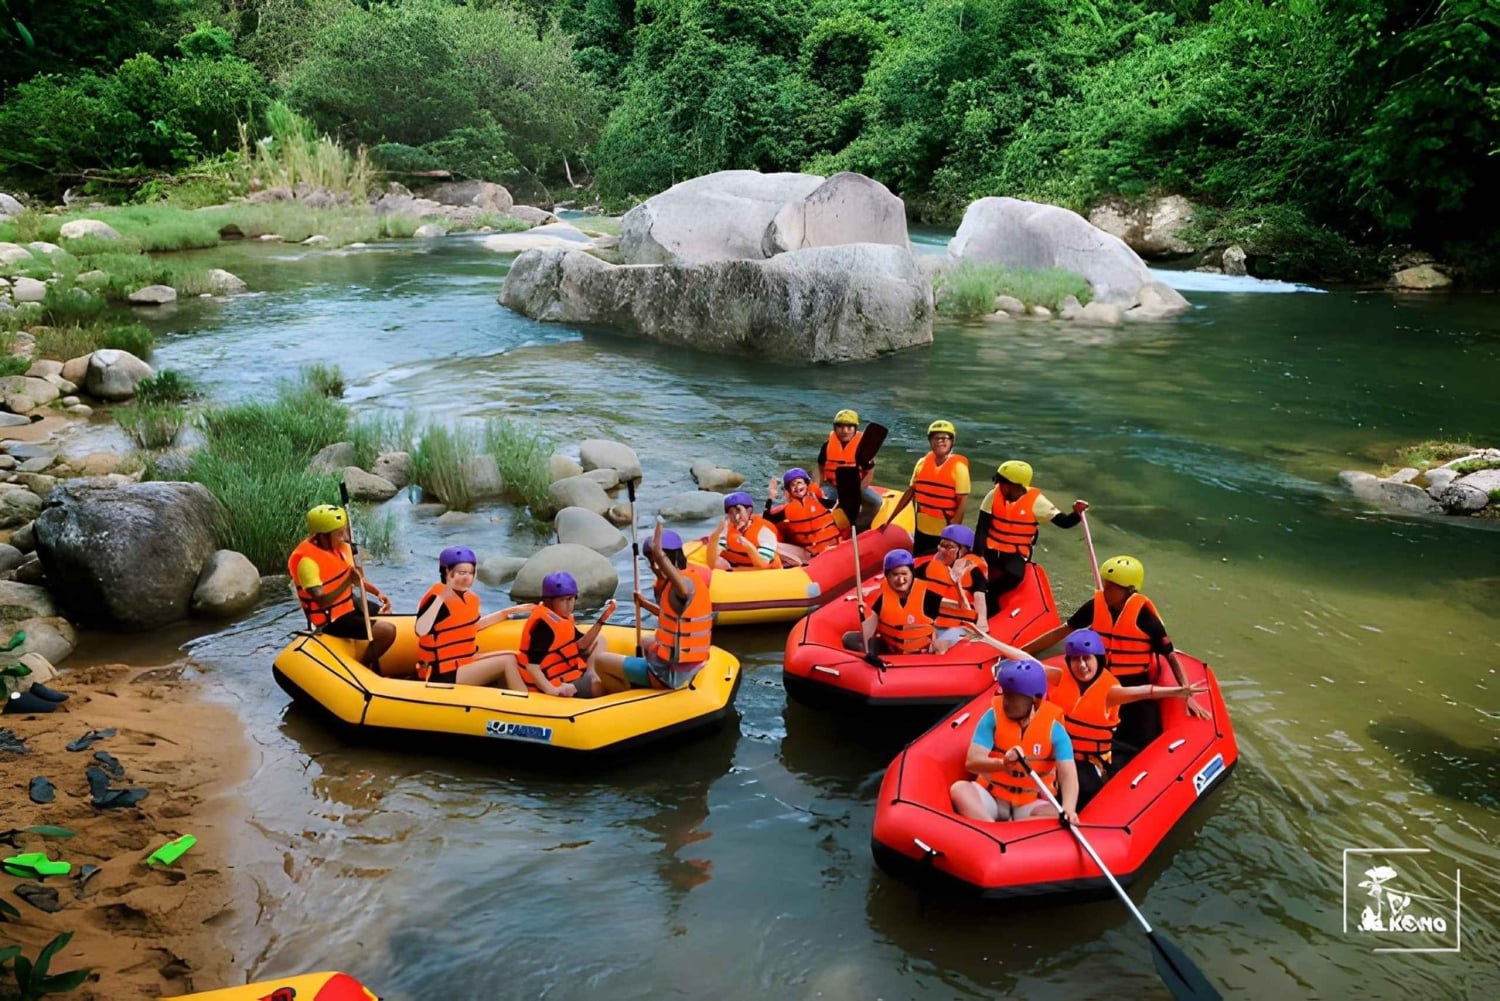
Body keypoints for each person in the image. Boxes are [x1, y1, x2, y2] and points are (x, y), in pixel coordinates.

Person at [967, 627, 1208, 804]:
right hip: (1053, 752)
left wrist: (1180, 691)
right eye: (1076, 660)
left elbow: (1142, 692)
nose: (1082, 666)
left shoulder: (1109, 692)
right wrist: (990, 640)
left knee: (1077, 788)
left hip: (1086, 761)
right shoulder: (1061, 678)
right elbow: (1027, 661)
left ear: (1098, 660)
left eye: (1087, 659)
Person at [1024, 555, 1211, 748]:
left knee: (1145, 738)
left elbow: (1170, 655)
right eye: (1106, 584)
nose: (1106, 590)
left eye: (1112, 587)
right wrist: (1025, 650)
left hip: (1134, 681)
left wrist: (1186, 694)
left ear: (1128, 590)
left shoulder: (1145, 619)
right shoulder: (1096, 606)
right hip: (1098, 678)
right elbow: (1063, 631)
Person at [950, 659, 1080, 824]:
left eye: (1014, 698)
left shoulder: (1056, 730)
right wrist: (1002, 764)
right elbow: (972, 762)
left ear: (1036, 701)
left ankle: (1011, 833)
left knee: (1056, 814)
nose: (1006, 701)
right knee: (960, 789)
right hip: (991, 796)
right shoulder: (992, 717)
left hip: (1029, 804)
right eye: (1006, 694)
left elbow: (1068, 775)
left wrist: (1069, 808)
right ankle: (991, 828)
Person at [589, 524, 715, 693]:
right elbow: (672, 618)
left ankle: (625, 696)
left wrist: (660, 556)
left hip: (671, 674)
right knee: (646, 642)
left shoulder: (685, 586)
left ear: (674, 559)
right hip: (687, 665)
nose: (654, 566)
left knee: (601, 662)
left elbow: (683, 590)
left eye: (659, 561)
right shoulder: (680, 582)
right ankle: (641, 679)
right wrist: (644, 603)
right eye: (651, 561)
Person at [288, 504, 396, 673]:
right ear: (322, 536)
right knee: (388, 631)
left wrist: (377, 593)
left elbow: (357, 578)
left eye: (344, 531)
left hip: (347, 605)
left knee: (386, 613)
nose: (344, 536)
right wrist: (347, 582)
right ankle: (362, 668)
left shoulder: (340, 549)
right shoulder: (307, 563)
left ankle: (367, 650)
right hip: (330, 619)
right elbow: (322, 601)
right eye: (339, 533)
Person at [413, 547, 531, 689]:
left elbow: (471, 627)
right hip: (440, 673)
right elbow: (421, 630)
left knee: (515, 656)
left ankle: (507, 700)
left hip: (463, 662)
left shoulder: (470, 598)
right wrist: (442, 597)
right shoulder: (437, 598)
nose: (467, 577)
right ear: (447, 573)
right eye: (461, 573)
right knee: (507, 661)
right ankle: (522, 704)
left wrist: (507, 613)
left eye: (471, 572)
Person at [974, 460, 1087, 606]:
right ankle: (979, 595)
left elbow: (1064, 523)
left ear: (1017, 485)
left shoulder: (1037, 502)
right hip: (991, 546)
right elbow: (982, 528)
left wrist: (1076, 514)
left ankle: (992, 596)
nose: (999, 486)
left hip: (1015, 551)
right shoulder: (994, 494)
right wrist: (978, 556)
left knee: (1015, 575)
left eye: (1003, 483)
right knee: (977, 573)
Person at [518, 572, 617, 698]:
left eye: (571, 599)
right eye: (563, 600)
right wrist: (552, 690)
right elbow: (532, 666)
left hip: (569, 673)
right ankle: (595, 681)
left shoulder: (563, 618)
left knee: (599, 639)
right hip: (555, 683)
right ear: (549, 602)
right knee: (601, 686)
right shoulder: (543, 627)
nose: (569, 604)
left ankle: (593, 675)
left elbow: (581, 645)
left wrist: (602, 620)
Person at [888, 420, 969, 556]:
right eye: (935, 438)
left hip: (943, 531)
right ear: (930, 440)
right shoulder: (922, 463)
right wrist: (890, 519)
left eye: (944, 438)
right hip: (921, 528)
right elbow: (910, 493)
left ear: (952, 441)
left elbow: (962, 503)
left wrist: (952, 533)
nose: (939, 442)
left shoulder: (959, 467)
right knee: (919, 563)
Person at [842, 548, 945, 656]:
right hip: (890, 651)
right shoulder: (882, 597)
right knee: (849, 639)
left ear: (912, 574)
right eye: (895, 575)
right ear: (887, 577)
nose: (900, 580)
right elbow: (868, 631)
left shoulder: (929, 597)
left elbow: (955, 619)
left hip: (920, 656)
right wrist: (862, 615)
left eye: (904, 574)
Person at [915, 525, 988, 654]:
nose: (942, 550)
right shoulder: (928, 567)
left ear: (963, 550)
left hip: (961, 625)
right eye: (941, 545)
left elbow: (979, 600)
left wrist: (982, 622)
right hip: (932, 622)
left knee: (939, 646)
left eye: (948, 547)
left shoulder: (974, 572)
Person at [817, 408, 882, 530]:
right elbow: (820, 466)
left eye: (849, 427)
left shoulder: (863, 448)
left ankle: (860, 526)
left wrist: (858, 491)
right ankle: (826, 529)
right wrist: (821, 484)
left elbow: (869, 471)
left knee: (876, 502)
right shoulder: (827, 445)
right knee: (822, 501)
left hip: (855, 487)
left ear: (855, 429)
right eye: (840, 427)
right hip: (833, 486)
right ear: (835, 428)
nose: (844, 431)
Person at [765, 467, 841, 566]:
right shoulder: (788, 510)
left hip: (830, 548)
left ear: (806, 484)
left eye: (799, 483)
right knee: (771, 546)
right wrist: (771, 497)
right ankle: (796, 567)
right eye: (792, 485)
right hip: (809, 554)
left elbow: (842, 505)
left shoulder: (820, 501)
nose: (796, 487)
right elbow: (767, 519)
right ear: (789, 491)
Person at [707, 491, 782, 570]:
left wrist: (750, 548)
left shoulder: (765, 531)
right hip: (735, 568)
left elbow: (763, 564)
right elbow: (711, 563)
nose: (736, 517)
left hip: (762, 571)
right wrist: (714, 539)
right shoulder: (726, 528)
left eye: (739, 511)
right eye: (731, 512)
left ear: (749, 511)